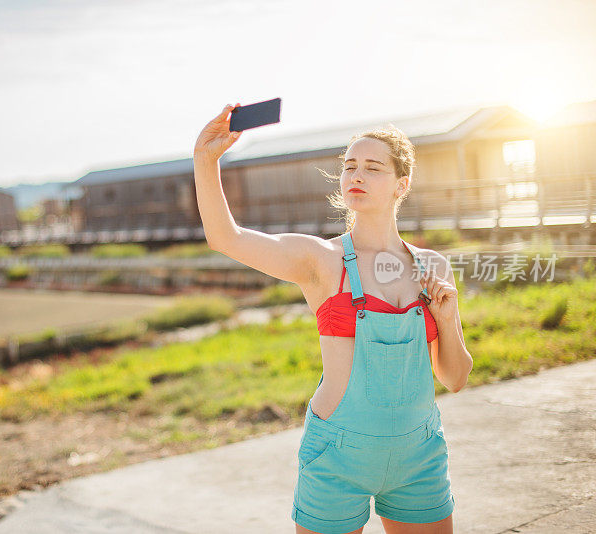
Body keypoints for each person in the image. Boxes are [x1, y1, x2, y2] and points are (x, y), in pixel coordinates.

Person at [193, 103, 474, 534]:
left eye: (373, 168)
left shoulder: (432, 266)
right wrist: (206, 159)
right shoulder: (319, 260)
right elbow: (225, 237)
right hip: (338, 456)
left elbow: (454, 378)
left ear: (402, 184)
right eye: (349, 166)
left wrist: (446, 315)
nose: (356, 175)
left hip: (419, 456)